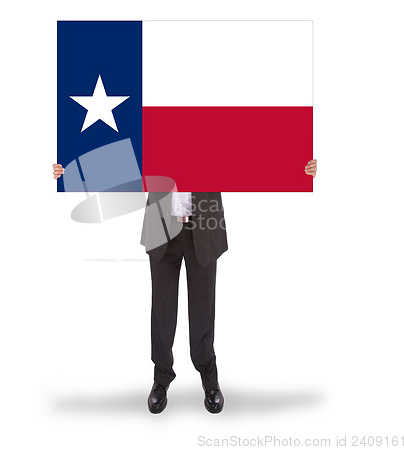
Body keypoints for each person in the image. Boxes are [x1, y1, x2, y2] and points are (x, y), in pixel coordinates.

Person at [52, 159, 317, 414]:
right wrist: (73, 169)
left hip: (204, 226)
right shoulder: (155, 125)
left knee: (203, 308)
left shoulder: (214, 123)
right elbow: (124, 158)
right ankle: (161, 377)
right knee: (162, 311)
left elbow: (248, 156)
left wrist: (296, 167)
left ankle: (209, 378)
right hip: (162, 225)